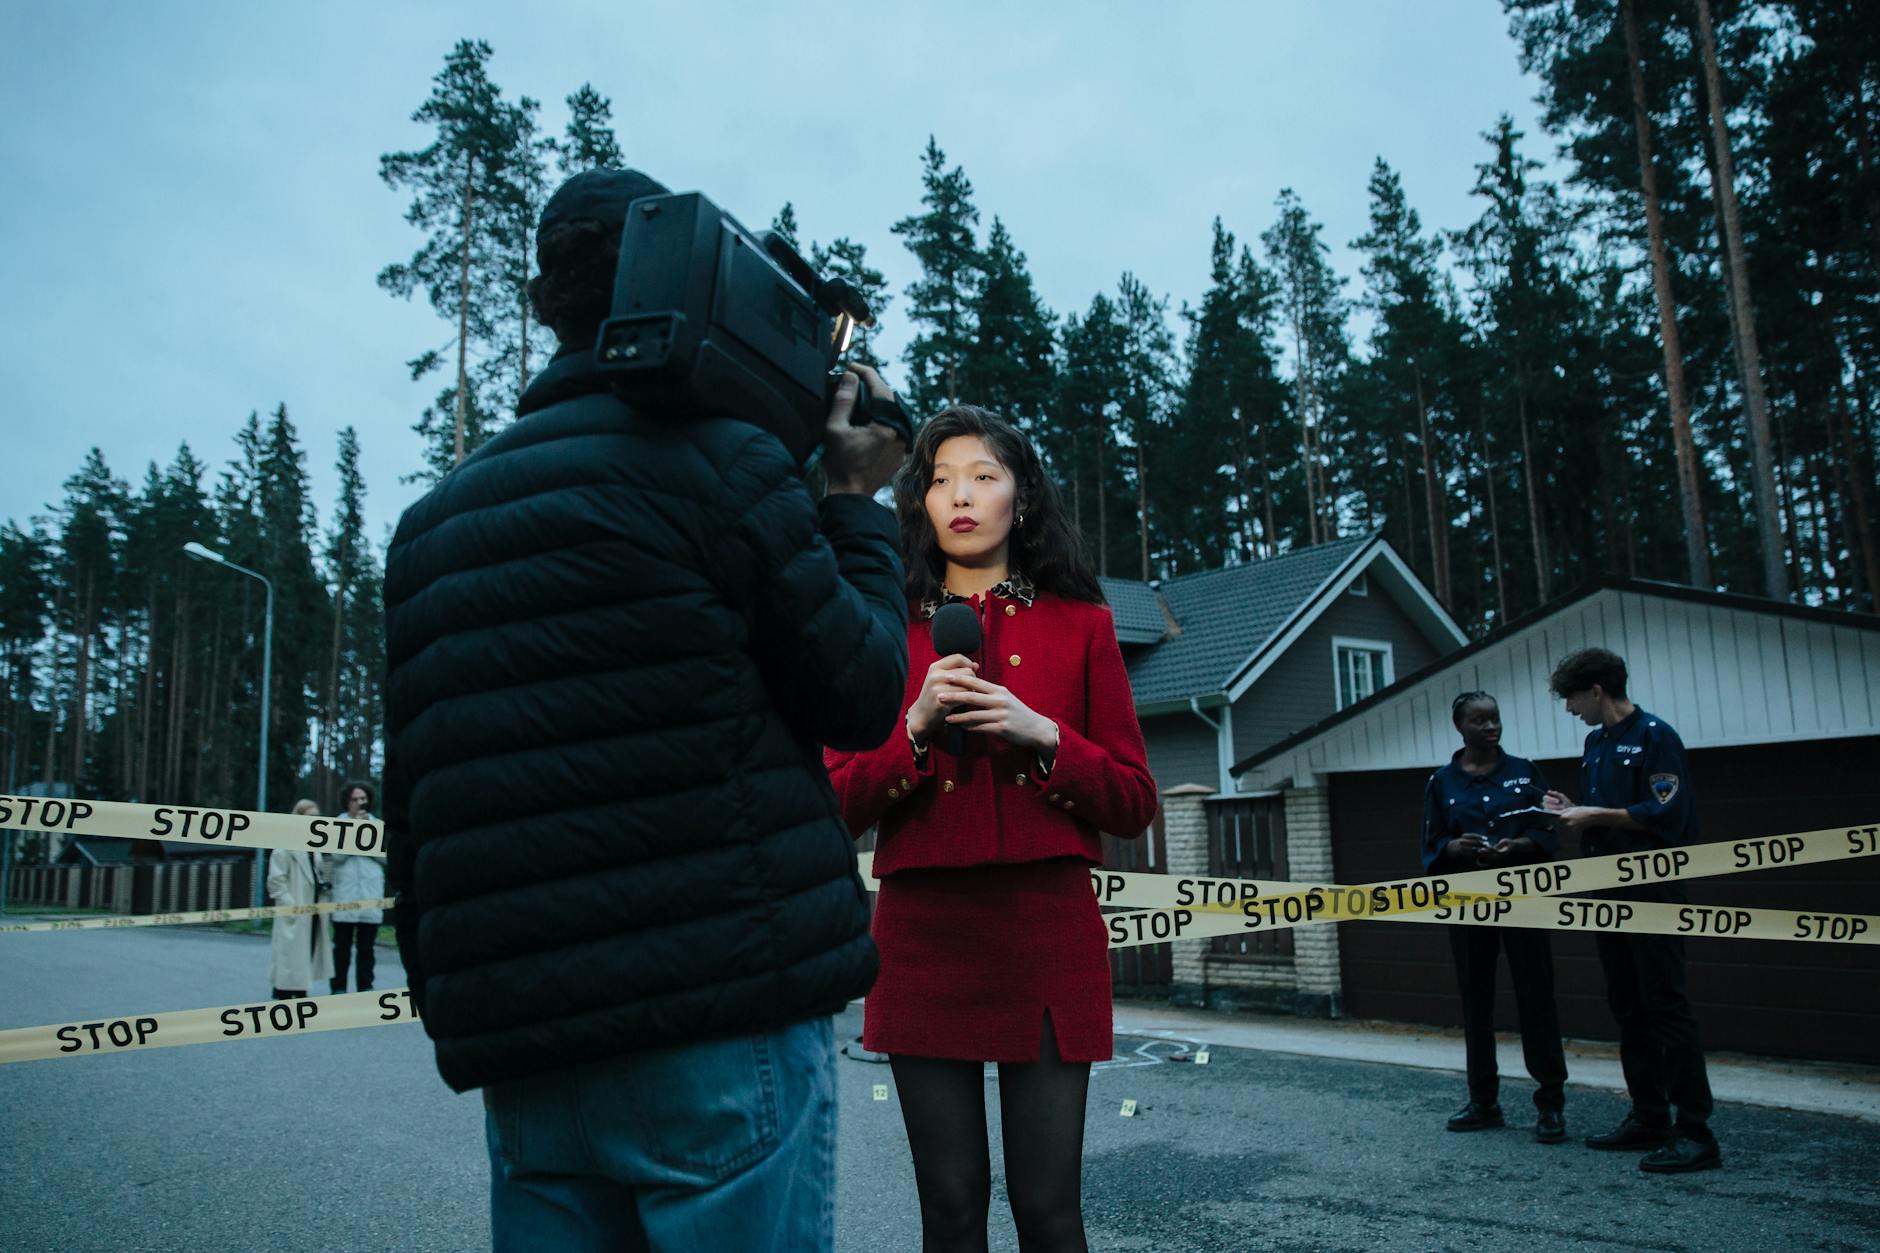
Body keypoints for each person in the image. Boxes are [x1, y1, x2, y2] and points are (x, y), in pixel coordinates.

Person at [381, 168, 910, 1253]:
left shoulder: (430, 526)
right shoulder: (721, 466)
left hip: (528, 1044)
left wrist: (461, 1003)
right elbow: (860, 693)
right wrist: (854, 503)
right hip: (719, 1020)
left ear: (551, 306)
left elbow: (418, 803)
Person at [825, 405, 1159, 1253]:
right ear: (919, 502)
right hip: (921, 938)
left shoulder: (1083, 622)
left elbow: (1133, 800)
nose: (961, 495)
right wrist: (914, 728)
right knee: (950, 1207)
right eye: (940, 479)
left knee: (1049, 1210)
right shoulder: (878, 625)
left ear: (1023, 496)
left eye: (983, 475)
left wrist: (1045, 735)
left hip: (1047, 934)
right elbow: (832, 802)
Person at [1543, 647, 1721, 1174]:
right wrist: (1572, 810)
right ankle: (1649, 1116)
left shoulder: (1655, 736)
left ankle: (1696, 1133)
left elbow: (1671, 814)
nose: (1569, 708)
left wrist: (1598, 814)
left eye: (1572, 698)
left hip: (1652, 890)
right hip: (1606, 889)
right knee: (1627, 1004)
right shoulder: (1595, 743)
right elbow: (1608, 813)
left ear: (1596, 691)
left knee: (1666, 1005)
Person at [1421, 691, 1568, 1143]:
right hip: (1469, 902)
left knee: (1536, 995)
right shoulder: (1441, 783)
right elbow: (1431, 845)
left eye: (1495, 719)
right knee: (1476, 998)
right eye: (1480, 721)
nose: (1491, 727)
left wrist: (1519, 846)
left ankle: (1550, 1104)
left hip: (1522, 899)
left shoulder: (1525, 772)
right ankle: (1483, 1102)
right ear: (1460, 727)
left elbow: (1549, 832)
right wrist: (1452, 848)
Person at [267, 799, 333, 1000]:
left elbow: (316, 873)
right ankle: (285, 992)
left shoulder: (314, 845)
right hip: (295, 908)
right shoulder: (285, 846)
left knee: (307, 952)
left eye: (317, 817)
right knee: (290, 955)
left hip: (313, 907)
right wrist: (290, 905)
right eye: (310, 817)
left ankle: (300, 990)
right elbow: (276, 881)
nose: (314, 821)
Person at [328, 780, 384, 994]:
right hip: (346, 894)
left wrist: (368, 836)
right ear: (347, 802)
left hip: (371, 894)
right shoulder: (338, 825)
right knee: (341, 947)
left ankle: (365, 987)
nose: (360, 803)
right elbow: (337, 857)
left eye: (363, 798)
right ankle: (338, 988)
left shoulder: (378, 825)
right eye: (355, 799)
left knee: (366, 948)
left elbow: (386, 857)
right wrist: (355, 833)